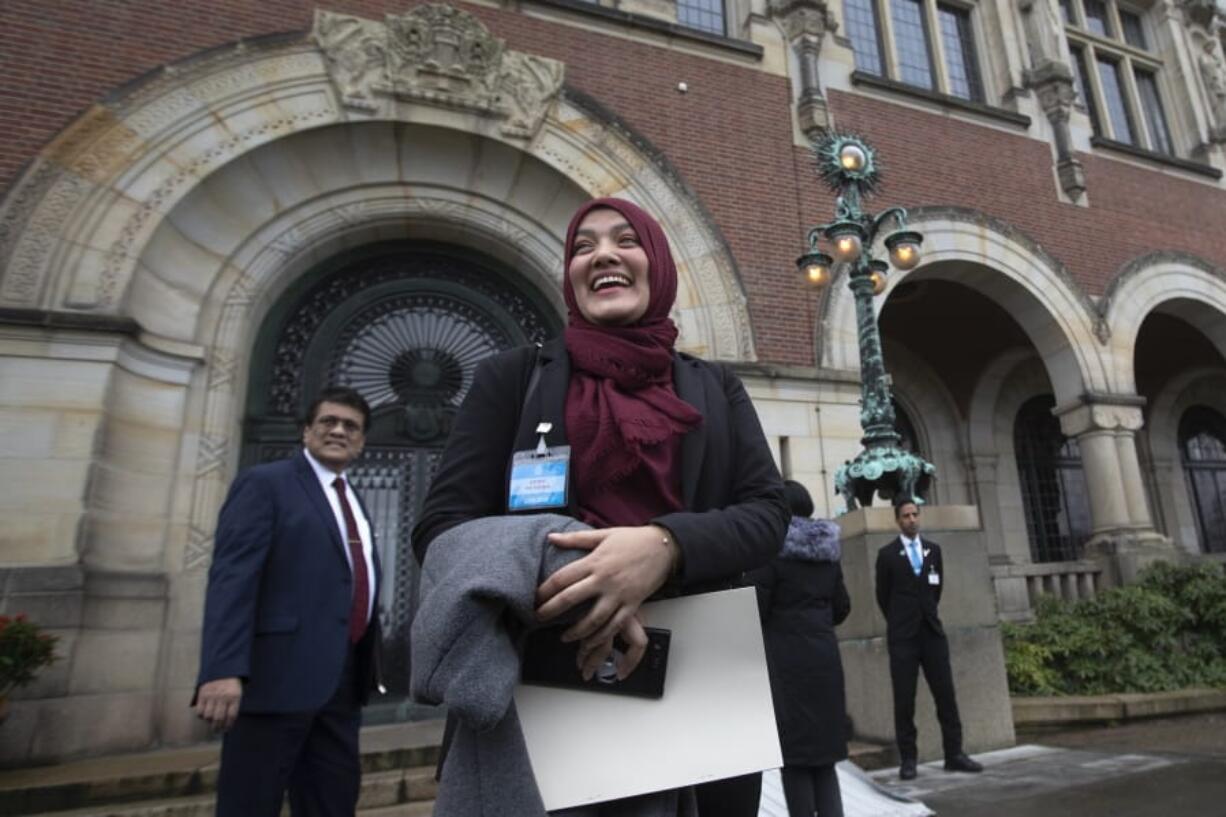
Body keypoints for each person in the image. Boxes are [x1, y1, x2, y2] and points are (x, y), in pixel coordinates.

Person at [412, 197, 790, 816]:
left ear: (658, 265)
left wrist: (663, 548)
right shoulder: (511, 378)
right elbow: (441, 529)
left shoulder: (716, 386)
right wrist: (585, 580)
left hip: (701, 688)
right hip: (545, 678)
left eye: (624, 241)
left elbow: (767, 515)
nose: (603, 255)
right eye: (583, 247)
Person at [194, 386, 384, 817]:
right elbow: (232, 580)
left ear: (361, 441)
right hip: (273, 682)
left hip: (341, 686)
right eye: (328, 422)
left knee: (331, 802)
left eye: (350, 426)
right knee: (250, 804)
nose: (338, 431)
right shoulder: (265, 485)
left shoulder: (353, 498)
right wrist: (222, 669)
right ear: (306, 432)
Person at [751, 480, 850, 817]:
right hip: (825, 658)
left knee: (794, 760)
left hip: (786, 664)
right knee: (825, 759)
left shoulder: (772, 551)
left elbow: (757, 608)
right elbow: (842, 607)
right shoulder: (829, 553)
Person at [875, 499, 982, 780]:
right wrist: (901, 620)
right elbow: (882, 597)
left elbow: (937, 589)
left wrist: (925, 614)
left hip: (932, 634)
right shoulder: (887, 555)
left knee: (946, 695)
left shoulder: (933, 551)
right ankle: (909, 759)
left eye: (914, 514)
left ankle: (954, 754)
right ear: (897, 520)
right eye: (906, 515)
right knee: (904, 700)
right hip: (903, 638)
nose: (911, 519)